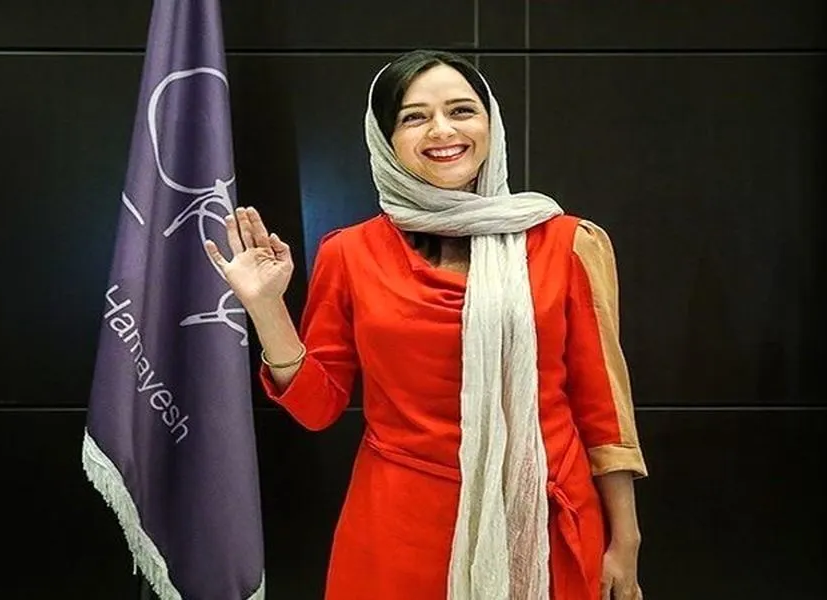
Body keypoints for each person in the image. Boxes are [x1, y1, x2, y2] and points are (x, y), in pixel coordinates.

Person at [205, 49, 648, 600]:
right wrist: (267, 307)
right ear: (385, 139)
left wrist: (625, 538)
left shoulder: (567, 243)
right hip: (399, 531)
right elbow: (318, 409)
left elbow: (602, 409)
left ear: (490, 123)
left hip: (543, 526)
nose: (443, 130)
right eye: (414, 117)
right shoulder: (350, 254)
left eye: (462, 110)